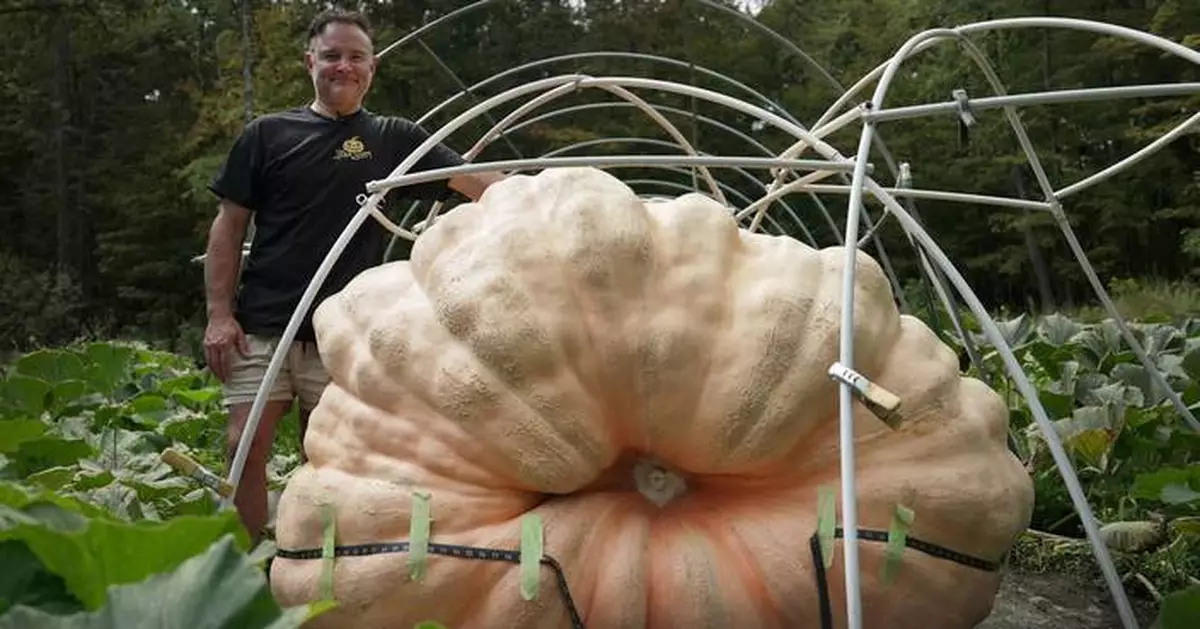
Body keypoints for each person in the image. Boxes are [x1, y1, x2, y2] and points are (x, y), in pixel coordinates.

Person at [202, 7, 503, 543]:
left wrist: (539, 195)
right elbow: (228, 228)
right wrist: (220, 316)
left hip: (343, 333)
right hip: (263, 326)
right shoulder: (267, 135)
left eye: (356, 57)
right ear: (309, 62)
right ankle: (246, 567)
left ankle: (317, 568)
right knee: (241, 448)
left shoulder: (393, 139)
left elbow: (474, 183)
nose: (344, 66)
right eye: (332, 56)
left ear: (373, 67)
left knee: (332, 460)